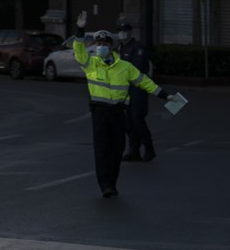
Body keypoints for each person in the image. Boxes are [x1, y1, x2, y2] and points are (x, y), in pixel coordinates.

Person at [72, 11, 176, 198]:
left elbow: (144, 81)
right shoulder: (91, 63)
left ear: (111, 46)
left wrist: (164, 95)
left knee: (117, 149)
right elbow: (79, 51)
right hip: (100, 114)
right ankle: (105, 185)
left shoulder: (125, 67)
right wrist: (80, 30)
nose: (101, 47)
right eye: (98, 44)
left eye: (104, 44)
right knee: (102, 150)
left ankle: (112, 182)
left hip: (118, 113)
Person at [116, 20, 156, 162]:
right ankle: (134, 150)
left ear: (131, 32)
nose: (122, 33)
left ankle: (149, 148)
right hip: (126, 90)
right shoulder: (121, 48)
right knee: (128, 122)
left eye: (125, 30)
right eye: (120, 30)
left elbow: (136, 68)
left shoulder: (138, 48)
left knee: (137, 119)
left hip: (138, 89)